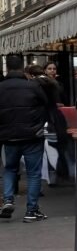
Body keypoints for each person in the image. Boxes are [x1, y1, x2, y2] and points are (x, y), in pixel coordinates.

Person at [0, 54, 49, 221]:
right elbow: (46, 105)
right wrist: (39, 125)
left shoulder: (0, 87)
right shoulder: (33, 86)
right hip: (32, 136)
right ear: (22, 68)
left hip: (8, 138)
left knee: (10, 169)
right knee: (33, 173)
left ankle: (7, 200)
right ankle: (31, 211)